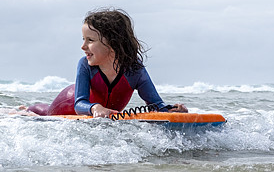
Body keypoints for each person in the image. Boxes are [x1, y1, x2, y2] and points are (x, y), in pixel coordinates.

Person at [25, 8, 187, 118]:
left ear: (113, 43)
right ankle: (24, 110)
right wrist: (95, 108)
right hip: (67, 102)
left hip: (97, 110)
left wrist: (172, 109)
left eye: (90, 40)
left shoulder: (135, 70)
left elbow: (156, 104)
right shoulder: (85, 65)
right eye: (84, 39)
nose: (83, 46)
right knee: (42, 112)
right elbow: (79, 104)